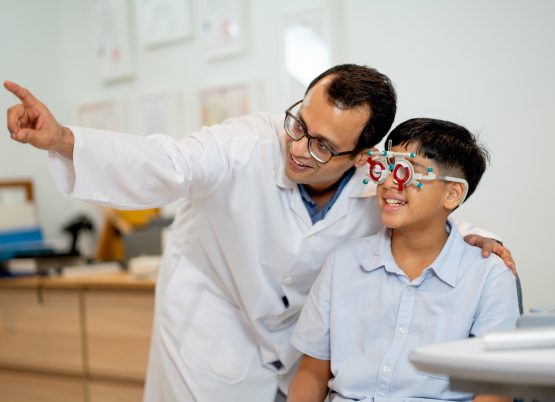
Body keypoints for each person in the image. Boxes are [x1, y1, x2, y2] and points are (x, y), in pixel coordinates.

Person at [4, 64, 515, 402]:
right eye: (299, 124)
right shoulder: (245, 145)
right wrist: (64, 139)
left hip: (288, 338)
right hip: (208, 319)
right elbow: (167, 162)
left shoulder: (375, 180)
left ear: (361, 158)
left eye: (320, 146)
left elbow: (425, 205)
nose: (297, 148)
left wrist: (477, 236)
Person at [287, 118, 519, 402]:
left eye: (409, 172)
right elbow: (312, 371)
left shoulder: (489, 275)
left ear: (452, 193)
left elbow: (493, 390)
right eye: (386, 167)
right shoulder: (343, 263)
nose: (389, 182)